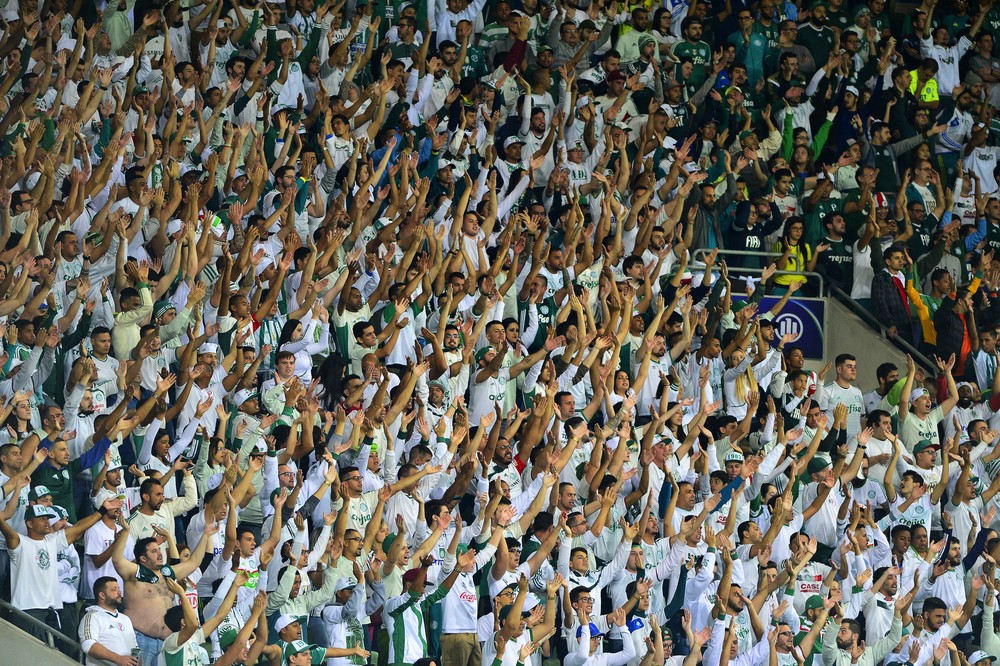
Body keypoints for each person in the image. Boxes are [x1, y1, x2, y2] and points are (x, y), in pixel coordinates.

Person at [79, 576, 139, 666]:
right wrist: (118, 659)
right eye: (114, 589)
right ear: (102, 595)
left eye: (119, 588)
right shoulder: (92, 616)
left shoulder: (125, 619)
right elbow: (89, 645)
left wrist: (137, 662)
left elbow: (135, 647)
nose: (119, 592)